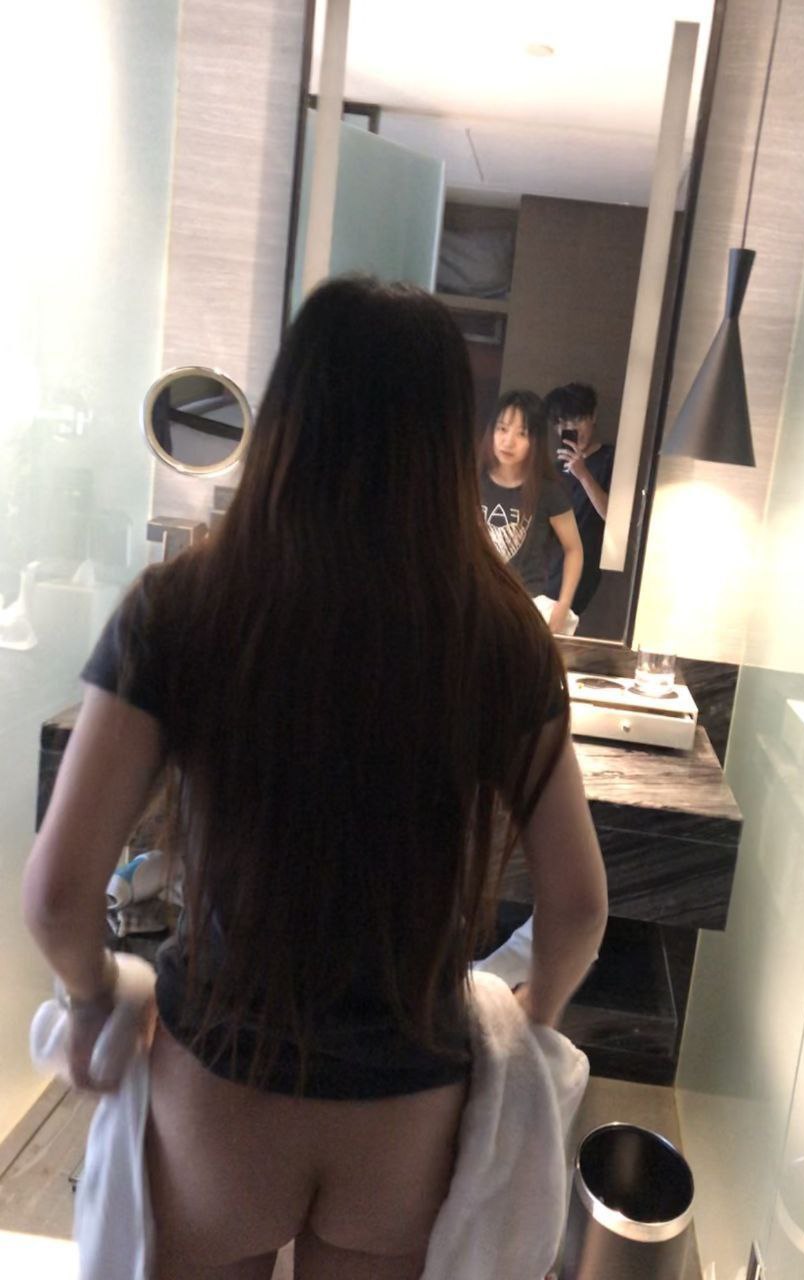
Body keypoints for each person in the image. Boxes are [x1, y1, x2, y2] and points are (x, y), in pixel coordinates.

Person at [22, 277, 608, 1280]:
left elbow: (56, 895)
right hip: (407, 1108)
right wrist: (527, 1029)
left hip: (220, 1089)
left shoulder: (183, 606)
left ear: (289, 411)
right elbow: (581, 904)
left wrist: (90, 1001)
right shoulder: (502, 636)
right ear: (449, 439)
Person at [478, 390, 583, 635]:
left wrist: (563, 604)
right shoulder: (471, 481)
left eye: (521, 433)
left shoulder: (548, 491)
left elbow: (574, 549)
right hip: (474, 599)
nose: (508, 441)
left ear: (535, 440)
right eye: (502, 429)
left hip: (523, 606)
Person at [543, 383, 614, 617]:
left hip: (583, 568)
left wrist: (582, 473)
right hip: (546, 570)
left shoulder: (610, 459)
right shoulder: (554, 470)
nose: (571, 429)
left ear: (593, 416)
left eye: (577, 420)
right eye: (562, 424)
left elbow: (612, 517)